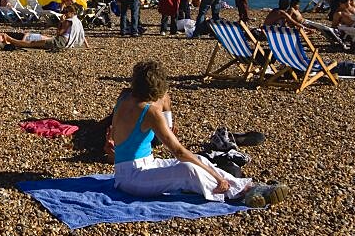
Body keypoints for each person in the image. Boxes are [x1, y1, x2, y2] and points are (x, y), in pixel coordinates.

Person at [110, 61, 287, 206]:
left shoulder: (124, 95)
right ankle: (239, 193)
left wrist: (168, 119)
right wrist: (217, 177)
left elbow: (162, 99)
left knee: (200, 160)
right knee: (187, 170)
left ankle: (250, 187)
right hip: (132, 178)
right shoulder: (150, 113)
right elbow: (178, 152)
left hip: (141, 166)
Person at [0, 6, 85, 50]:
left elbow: (59, 33)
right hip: (68, 43)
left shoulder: (68, 21)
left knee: (32, 43)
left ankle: (10, 39)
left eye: (66, 12)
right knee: (35, 42)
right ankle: (10, 39)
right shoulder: (78, 21)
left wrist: (60, 22)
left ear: (71, 12)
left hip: (60, 42)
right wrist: (86, 46)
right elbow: (82, 35)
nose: (64, 14)